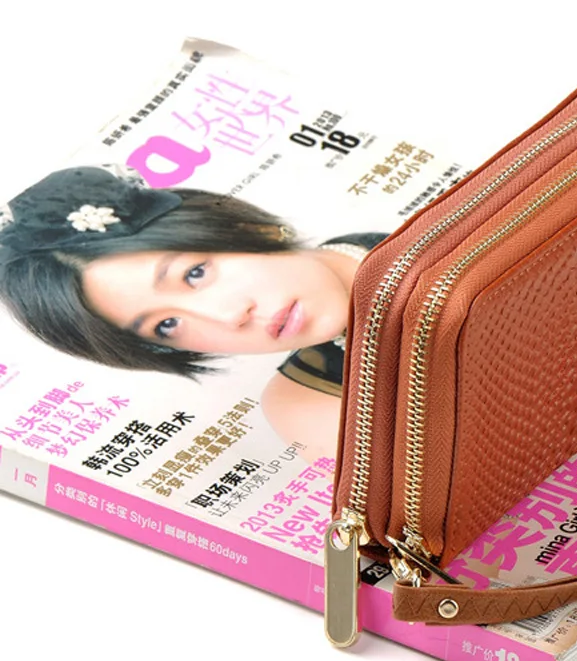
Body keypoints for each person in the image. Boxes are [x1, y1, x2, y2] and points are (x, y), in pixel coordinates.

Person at [0, 165, 387, 466]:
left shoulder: (413, 224)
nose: (229, 316)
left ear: (244, 228)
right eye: (166, 325)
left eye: (194, 274)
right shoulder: (308, 403)